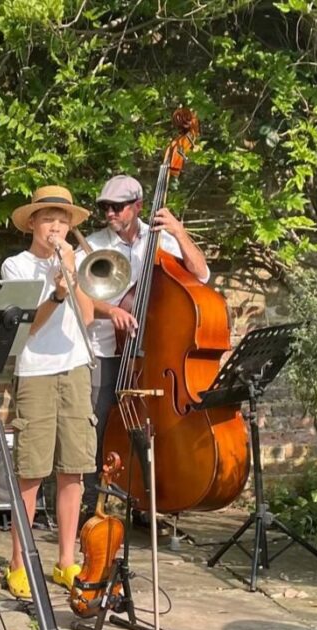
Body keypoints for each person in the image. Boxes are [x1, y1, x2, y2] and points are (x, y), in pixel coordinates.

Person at [79, 175, 210, 517]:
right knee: (100, 427)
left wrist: (180, 233)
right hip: (107, 351)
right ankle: (92, 509)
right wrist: (112, 311)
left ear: (137, 206)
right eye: (104, 207)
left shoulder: (162, 240)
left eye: (117, 207)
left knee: (154, 427)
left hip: (153, 355)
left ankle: (146, 504)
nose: (109, 213)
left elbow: (202, 276)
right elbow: (77, 302)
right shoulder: (92, 246)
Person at [0, 185, 96, 599]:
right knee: (31, 471)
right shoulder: (15, 266)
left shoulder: (79, 262)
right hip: (36, 371)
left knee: (72, 468)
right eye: (48, 219)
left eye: (63, 221)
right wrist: (56, 291)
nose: (56, 227)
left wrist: (73, 278)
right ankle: (18, 562)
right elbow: (26, 328)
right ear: (32, 224)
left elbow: (89, 319)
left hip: (74, 368)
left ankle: (66, 561)